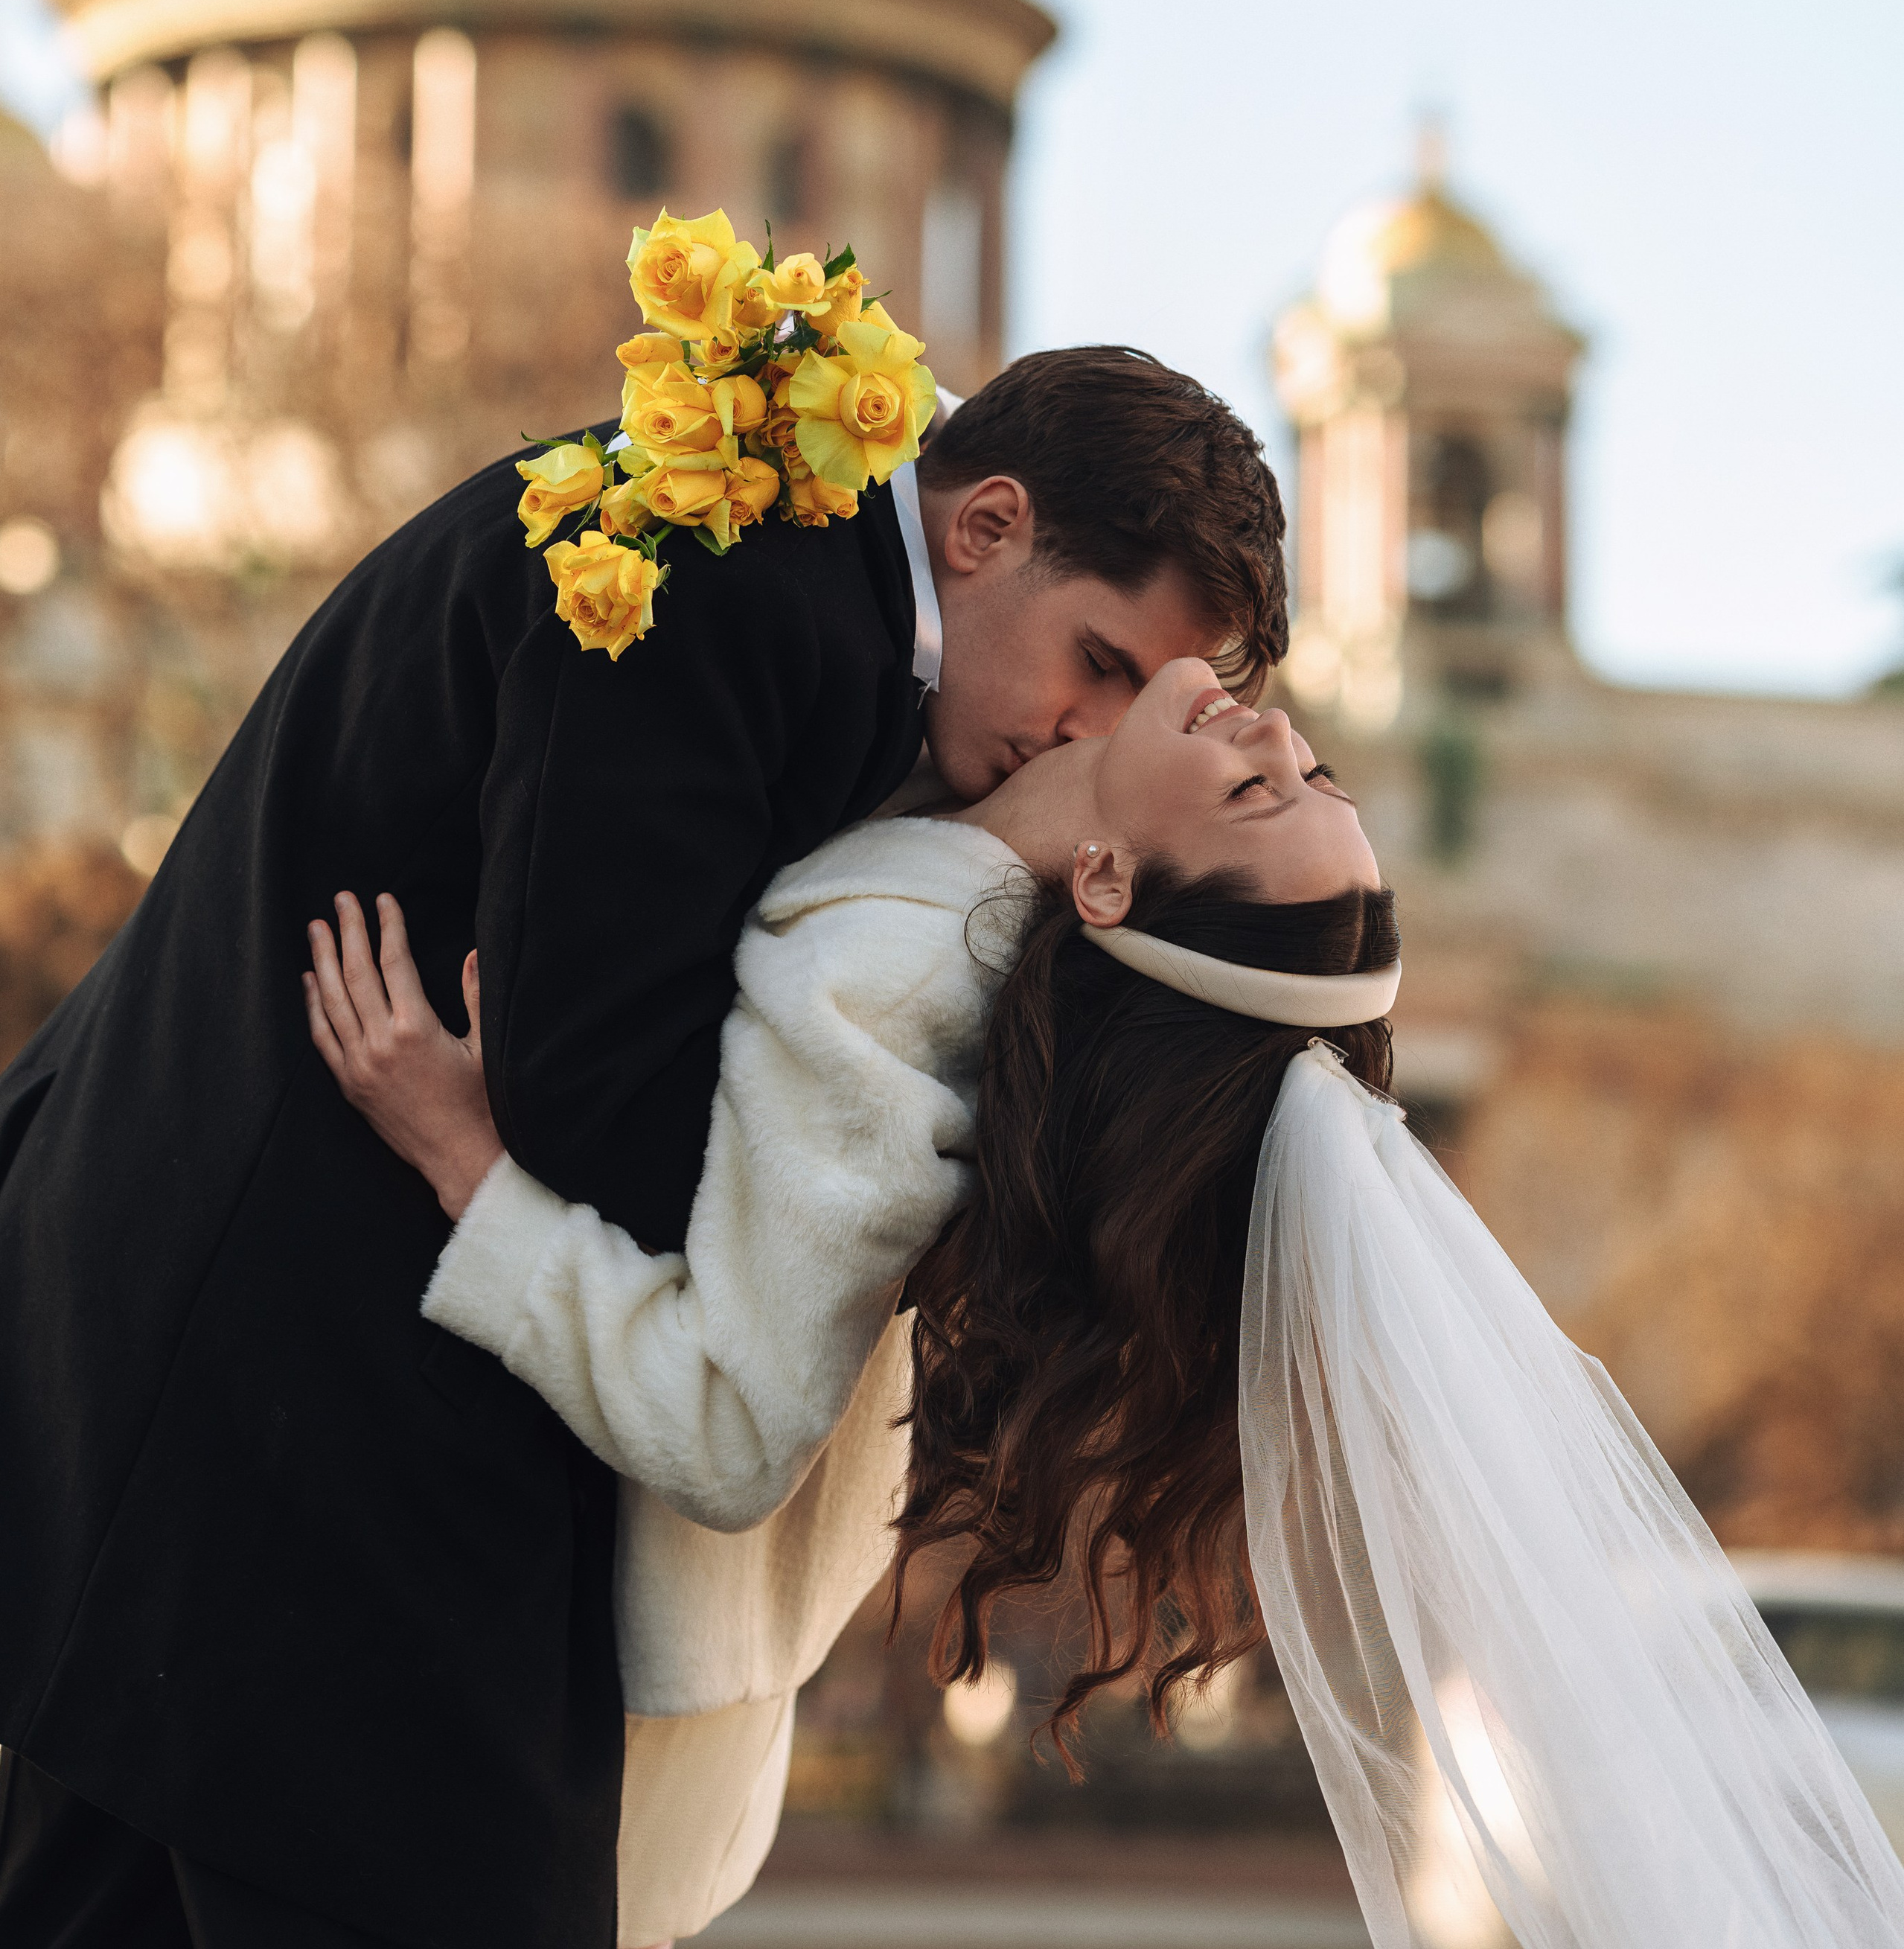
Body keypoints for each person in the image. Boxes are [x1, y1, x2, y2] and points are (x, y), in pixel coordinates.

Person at [0, 345, 1287, 1949]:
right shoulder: (731, 589)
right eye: (1094, 665)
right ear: (986, 525)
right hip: (291, 1434)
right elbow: (616, 1132)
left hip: (196, 1387)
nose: (1083, 739)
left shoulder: (787, 542)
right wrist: (972, 862)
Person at [312, 659, 1904, 1949]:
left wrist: (467, 1161)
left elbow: (728, 1435)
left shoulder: (903, 1004)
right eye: (1312, 778)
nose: (1276, 727)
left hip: (579, 1777)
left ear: (1102, 875)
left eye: (1261, 787)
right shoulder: (975, 951)